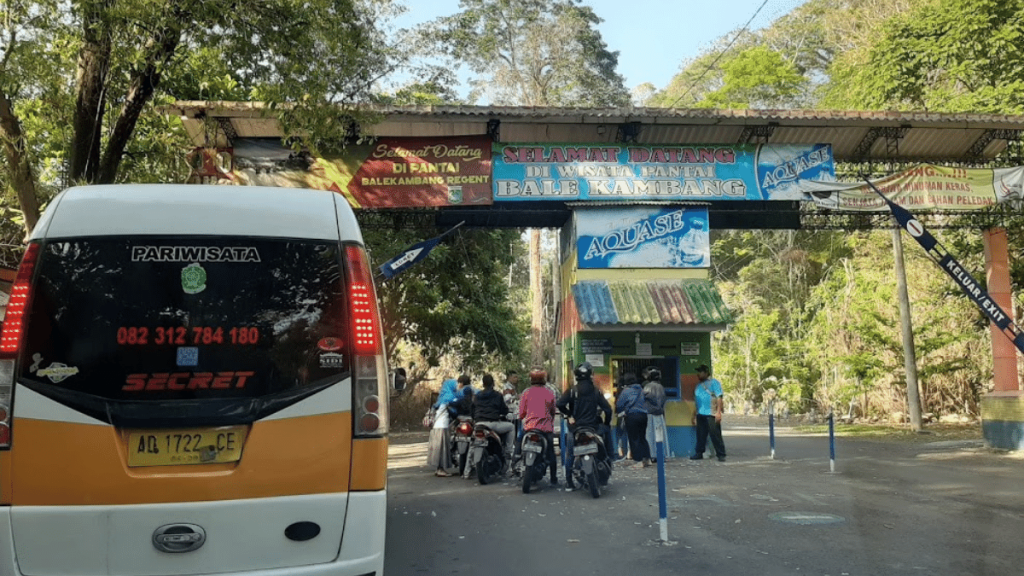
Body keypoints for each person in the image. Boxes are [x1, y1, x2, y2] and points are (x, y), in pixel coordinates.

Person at [556, 361, 612, 490]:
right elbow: (608, 410)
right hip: (594, 428)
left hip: (575, 429)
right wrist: (606, 424)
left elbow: (559, 404)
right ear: (591, 375)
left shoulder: (572, 391)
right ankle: (611, 459)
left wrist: (569, 415)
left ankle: (569, 482)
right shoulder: (596, 391)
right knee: (605, 446)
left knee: (571, 454)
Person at [518, 368, 559, 486]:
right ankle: (553, 477)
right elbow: (552, 411)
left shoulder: (526, 393)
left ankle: (515, 462)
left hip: (529, 428)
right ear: (544, 379)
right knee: (551, 452)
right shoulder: (549, 393)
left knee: (519, 442)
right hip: (545, 429)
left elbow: (521, 413)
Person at [472, 374, 515, 457]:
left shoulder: (477, 396)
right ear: (493, 384)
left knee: (471, 444)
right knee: (511, 427)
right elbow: (504, 410)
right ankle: (508, 452)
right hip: (492, 424)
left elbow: (472, 409)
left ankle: (467, 467)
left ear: (483, 384)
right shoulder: (497, 395)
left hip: (479, 424)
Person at [691, 364, 726, 462]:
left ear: (706, 373)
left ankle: (721, 454)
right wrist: (694, 415)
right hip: (700, 414)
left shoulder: (714, 383)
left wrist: (719, 412)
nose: (698, 374)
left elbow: (719, 398)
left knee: (715, 435)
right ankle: (699, 453)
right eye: (698, 372)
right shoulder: (698, 386)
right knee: (700, 435)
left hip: (711, 414)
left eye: (700, 372)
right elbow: (696, 402)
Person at [615, 372, 651, 467]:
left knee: (634, 438)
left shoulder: (626, 391)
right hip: (644, 415)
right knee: (642, 437)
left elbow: (619, 404)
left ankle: (638, 461)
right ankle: (647, 458)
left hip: (632, 415)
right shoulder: (641, 390)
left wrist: (621, 411)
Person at [426, 378, 459, 477]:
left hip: (436, 426)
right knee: (442, 449)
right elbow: (454, 411)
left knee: (438, 449)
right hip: (442, 426)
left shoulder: (442, 397)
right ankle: (441, 470)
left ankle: (438, 469)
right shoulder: (450, 397)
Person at [643, 366, 668, 462]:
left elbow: (644, 399)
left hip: (650, 414)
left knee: (650, 435)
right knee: (661, 435)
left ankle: (652, 454)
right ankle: (661, 454)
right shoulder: (661, 387)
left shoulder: (648, 387)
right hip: (660, 414)